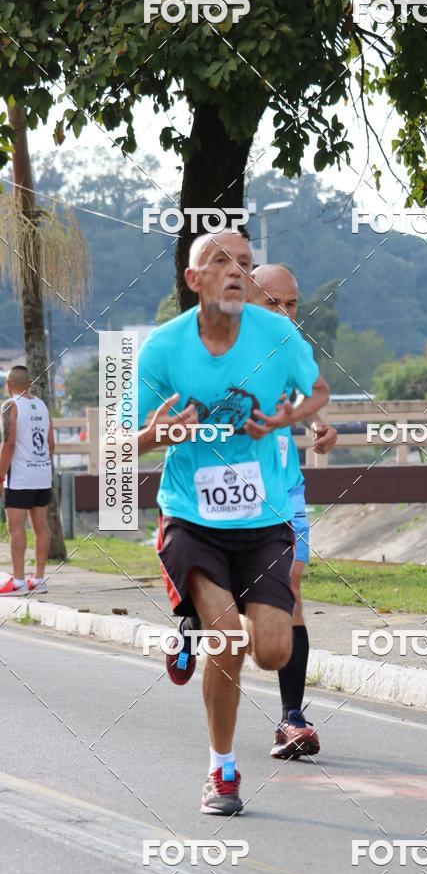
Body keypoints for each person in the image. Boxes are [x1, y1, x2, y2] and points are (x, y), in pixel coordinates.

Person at [135, 230, 328, 816]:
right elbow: (118, 444)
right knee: (226, 637)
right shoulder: (163, 349)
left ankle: (199, 621)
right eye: (221, 262)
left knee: (270, 649)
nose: (236, 271)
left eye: (245, 262)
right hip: (191, 517)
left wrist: (305, 416)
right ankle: (221, 771)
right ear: (194, 281)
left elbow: (316, 391)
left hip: (263, 518)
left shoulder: (278, 336)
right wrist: (153, 436)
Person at [249, 264, 337, 759]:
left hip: (284, 493)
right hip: (231, 498)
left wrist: (322, 428)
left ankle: (292, 717)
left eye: (293, 304)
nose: (285, 314)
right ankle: (191, 619)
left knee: (291, 586)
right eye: (273, 304)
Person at [0, 365, 54, 596]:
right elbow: (51, 443)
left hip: (20, 478)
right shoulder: (42, 405)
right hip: (43, 474)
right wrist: (42, 465)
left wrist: (0, 474)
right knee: (41, 526)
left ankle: (19, 581)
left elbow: (8, 444)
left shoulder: (9, 406)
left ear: (8, 385)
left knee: (15, 527)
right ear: (29, 383)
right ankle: (38, 579)